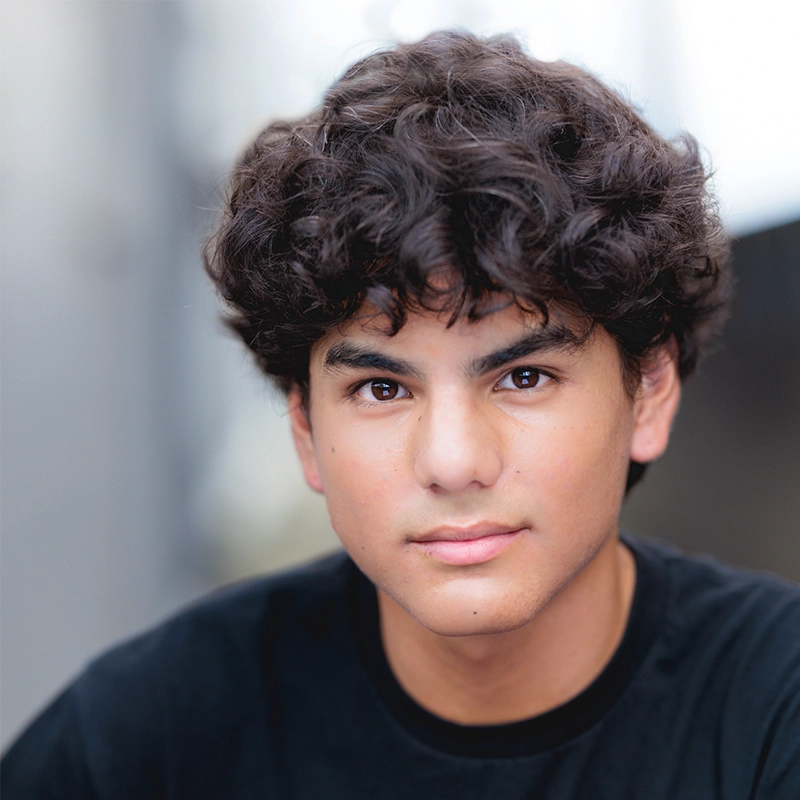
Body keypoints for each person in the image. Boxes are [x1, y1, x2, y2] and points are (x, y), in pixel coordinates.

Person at [3, 30, 799, 799]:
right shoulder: (155, 733)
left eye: (522, 377)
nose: (453, 462)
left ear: (649, 391)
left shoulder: (773, 712)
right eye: (382, 390)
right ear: (306, 430)